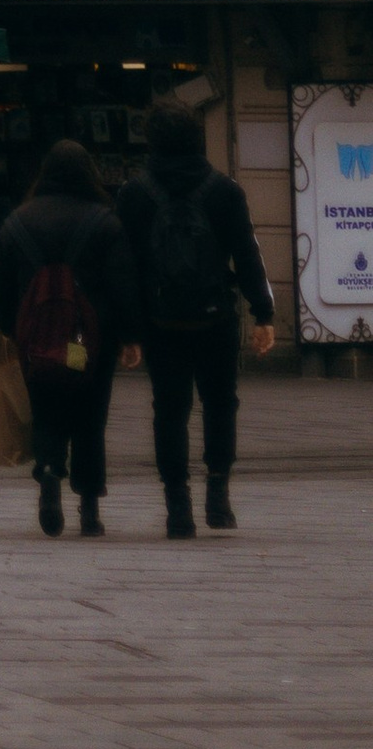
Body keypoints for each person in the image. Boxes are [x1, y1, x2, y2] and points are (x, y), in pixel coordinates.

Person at [118, 97, 276, 536]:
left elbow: (125, 269)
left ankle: (177, 507)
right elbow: (247, 255)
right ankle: (218, 497)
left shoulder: (134, 194)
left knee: (169, 409)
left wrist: (129, 331)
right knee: (220, 403)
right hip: (216, 318)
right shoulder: (224, 191)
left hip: (160, 320)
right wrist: (263, 313)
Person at [0, 139, 136, 538]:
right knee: (90, 414)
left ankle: (51, 474)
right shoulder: (105, 222)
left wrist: (10, 328)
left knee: (46, 405)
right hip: (88, 342)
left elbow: (2, 286)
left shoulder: (17, 222)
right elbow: (121, 282)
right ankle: (89, 508)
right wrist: (130, 335)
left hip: (37, 340)